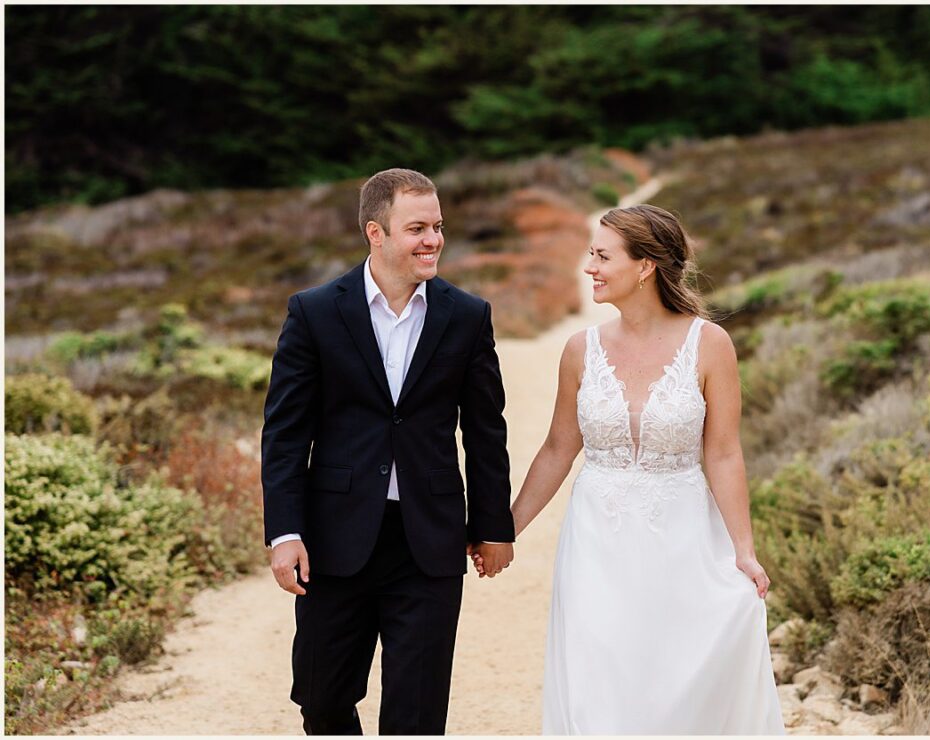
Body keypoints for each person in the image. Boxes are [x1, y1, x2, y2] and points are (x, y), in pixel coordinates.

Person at [489, 204, 783, 733]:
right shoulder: (581, 350)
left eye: (602, 256)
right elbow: (558, 448)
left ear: (645, 265)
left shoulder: (710, 345)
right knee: (601, 679)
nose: (589, 268)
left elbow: (723, 453)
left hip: (684, 539)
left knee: (675, 680)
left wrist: (744, 551)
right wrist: (502, 531)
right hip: (597, 543)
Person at [261, 168, 515, 734]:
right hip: (334, 538)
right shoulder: (316, 311)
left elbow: (484, 431)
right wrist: (285, 532)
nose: (433, 240)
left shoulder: (468, 316)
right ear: (375, 232)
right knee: (322, 699)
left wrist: (494, 525)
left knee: (418, 713)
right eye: (417, 228)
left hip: (429, 538)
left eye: (439, 227)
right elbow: (283, 433)